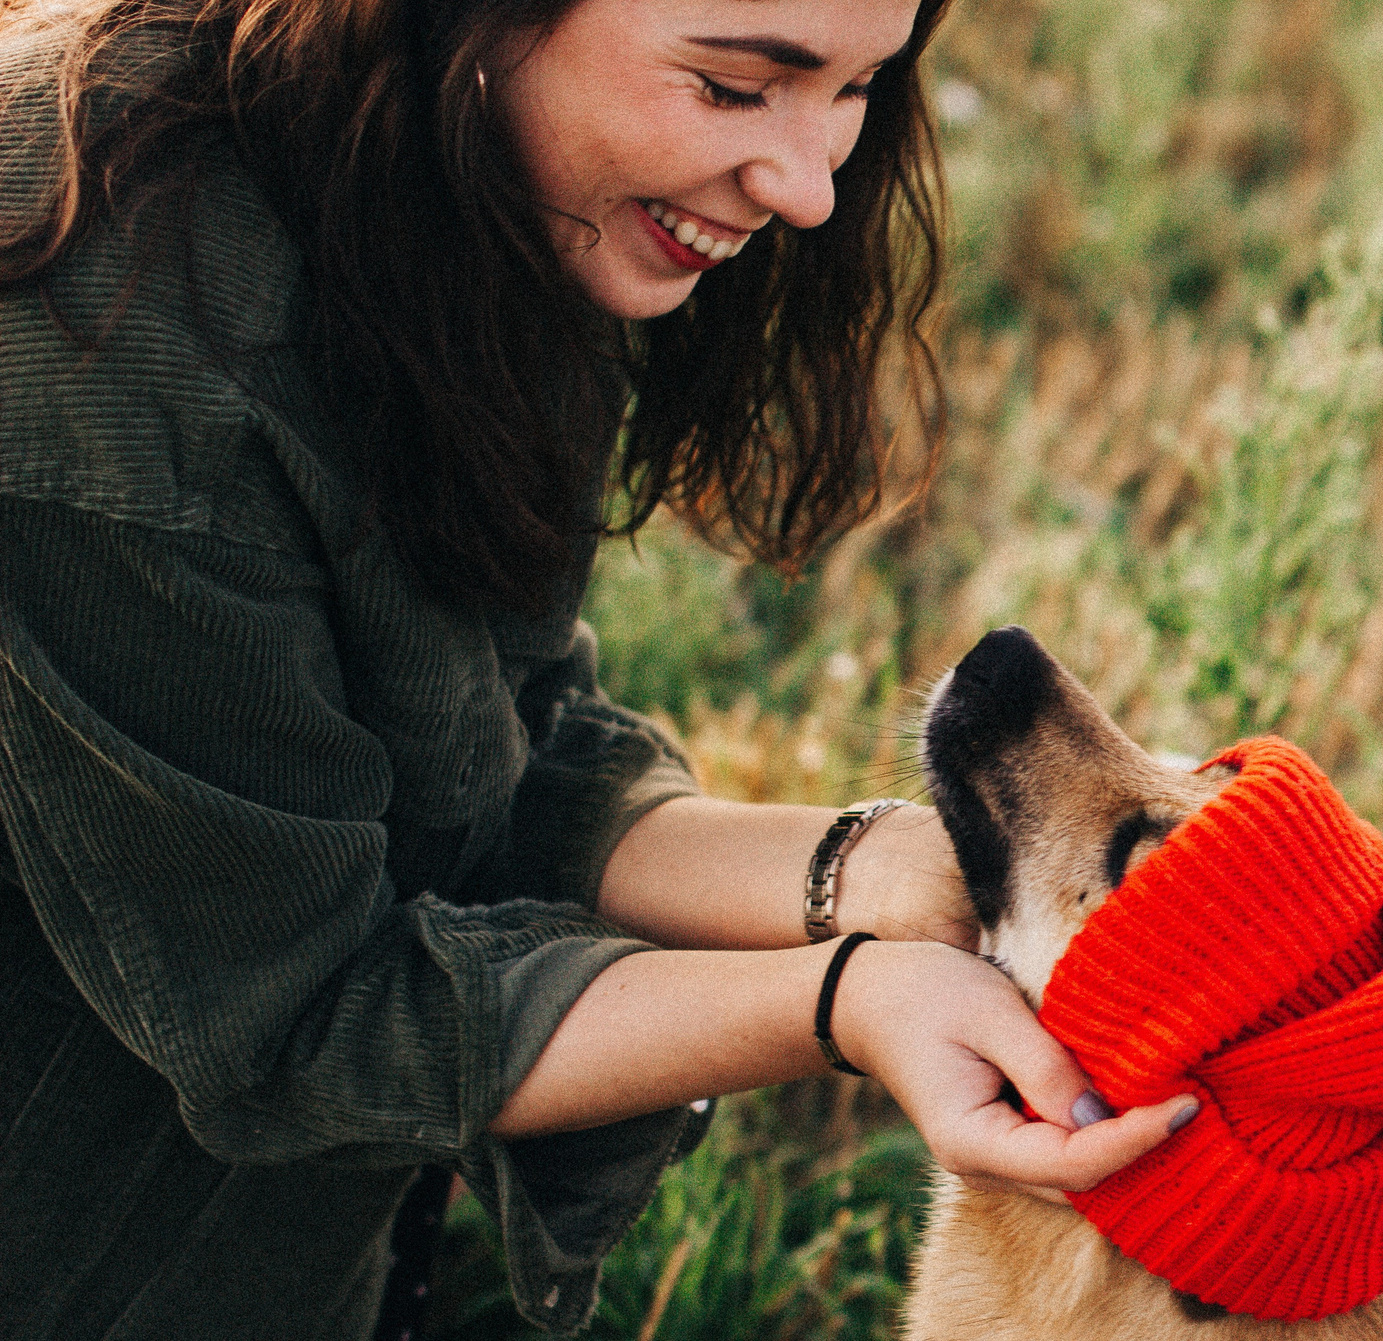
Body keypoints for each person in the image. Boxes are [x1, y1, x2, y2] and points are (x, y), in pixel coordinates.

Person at [0, 0, 1196, 1334]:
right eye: (738, 87)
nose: (809, 190)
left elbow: (493, 758)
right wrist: (849, 997)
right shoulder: (93, 330)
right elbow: (294, 1023)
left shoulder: (483, 167)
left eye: (863, 86)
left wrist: (879, 877)